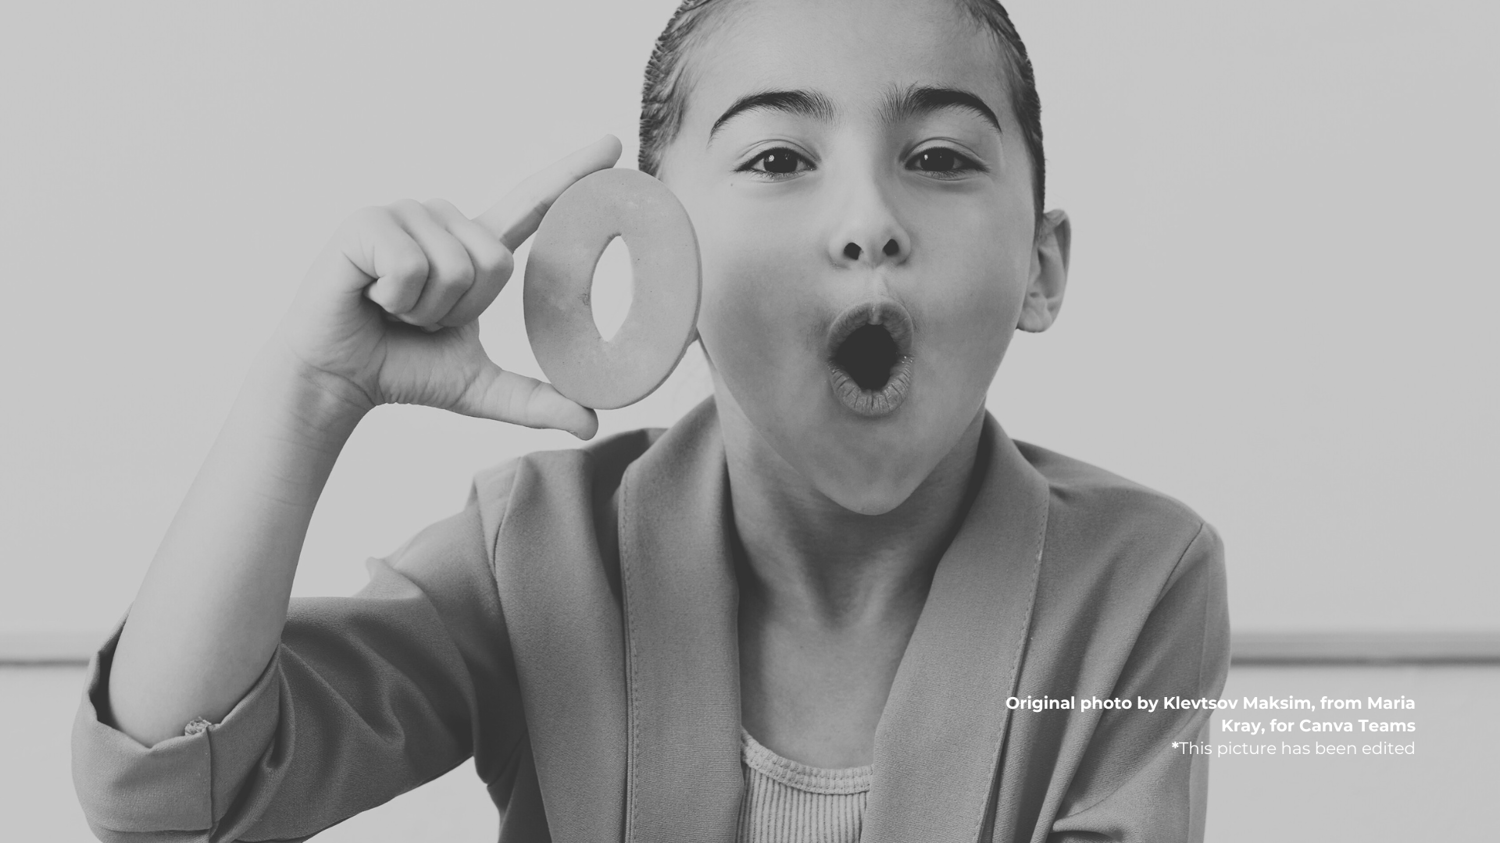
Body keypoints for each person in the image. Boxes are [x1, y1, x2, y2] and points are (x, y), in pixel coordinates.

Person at [72, 0, 1230, 841]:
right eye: (780, 156)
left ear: (1040, 267)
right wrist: (311, 394)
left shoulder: (1140, 577)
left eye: (937, 156)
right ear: (655, 252)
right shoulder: (534, 552)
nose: (869, 219)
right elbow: (174, 789)